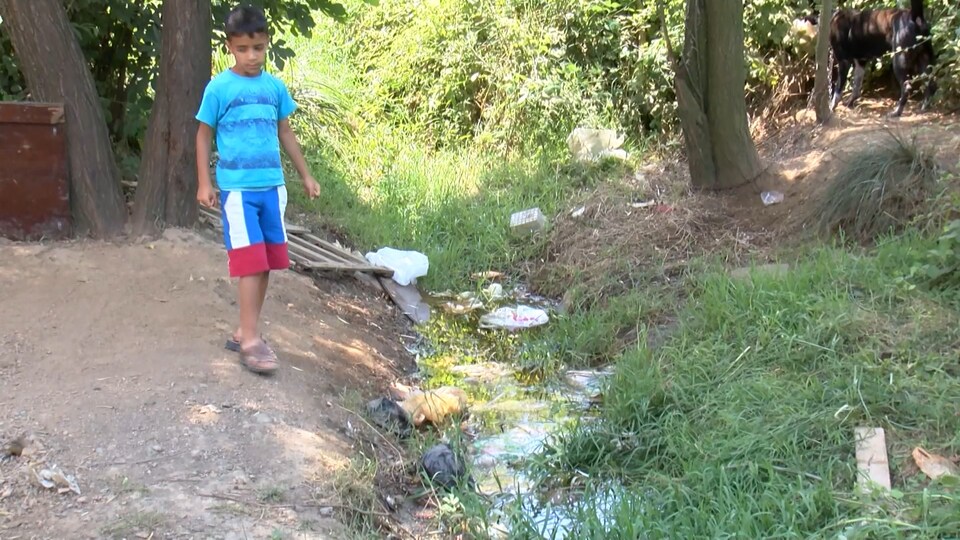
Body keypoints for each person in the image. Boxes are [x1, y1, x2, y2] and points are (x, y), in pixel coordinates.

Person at [195, 4, 320, 374]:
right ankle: (251, 342)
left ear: (267, 45)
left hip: (272, 189)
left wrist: (305, 175)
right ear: (229, 47)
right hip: (238, 191)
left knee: (265, 262)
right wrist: (204, 181)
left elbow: (285, 132)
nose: (252, 56)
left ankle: (243, 330)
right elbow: (203, 137)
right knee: (250, 262)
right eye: (243, 49)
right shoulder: (219, 88)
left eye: (259, 48)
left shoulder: (274, 88)